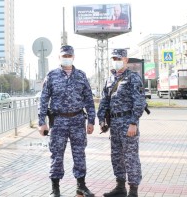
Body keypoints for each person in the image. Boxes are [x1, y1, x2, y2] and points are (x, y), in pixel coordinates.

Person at [38, 45, 96, 197]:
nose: (67, 58)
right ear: (59, 57)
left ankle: (81, 186)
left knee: (79, 154)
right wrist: (41, 122)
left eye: (69, 56)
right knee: (56, 154)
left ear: (73, 57)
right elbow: (43, 99)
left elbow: (89, 99)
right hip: (58, 121)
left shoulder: (81, 76)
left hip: (78, 120)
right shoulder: (52, 75)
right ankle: (55, 189)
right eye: (64, 55)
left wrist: (91, 120)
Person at [97, 49, 146, 197]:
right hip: (114, 123)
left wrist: (133, 123)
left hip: (127, 122)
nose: (116, 61)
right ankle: (120, 187)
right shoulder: (110, 79)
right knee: (116, 156)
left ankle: (133, 191)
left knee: (130, 156)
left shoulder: (133, 78)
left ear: (126, 60)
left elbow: (140, 102)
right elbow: (105, 100)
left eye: (118, 58)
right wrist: (101, 119)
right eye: (114, 58)